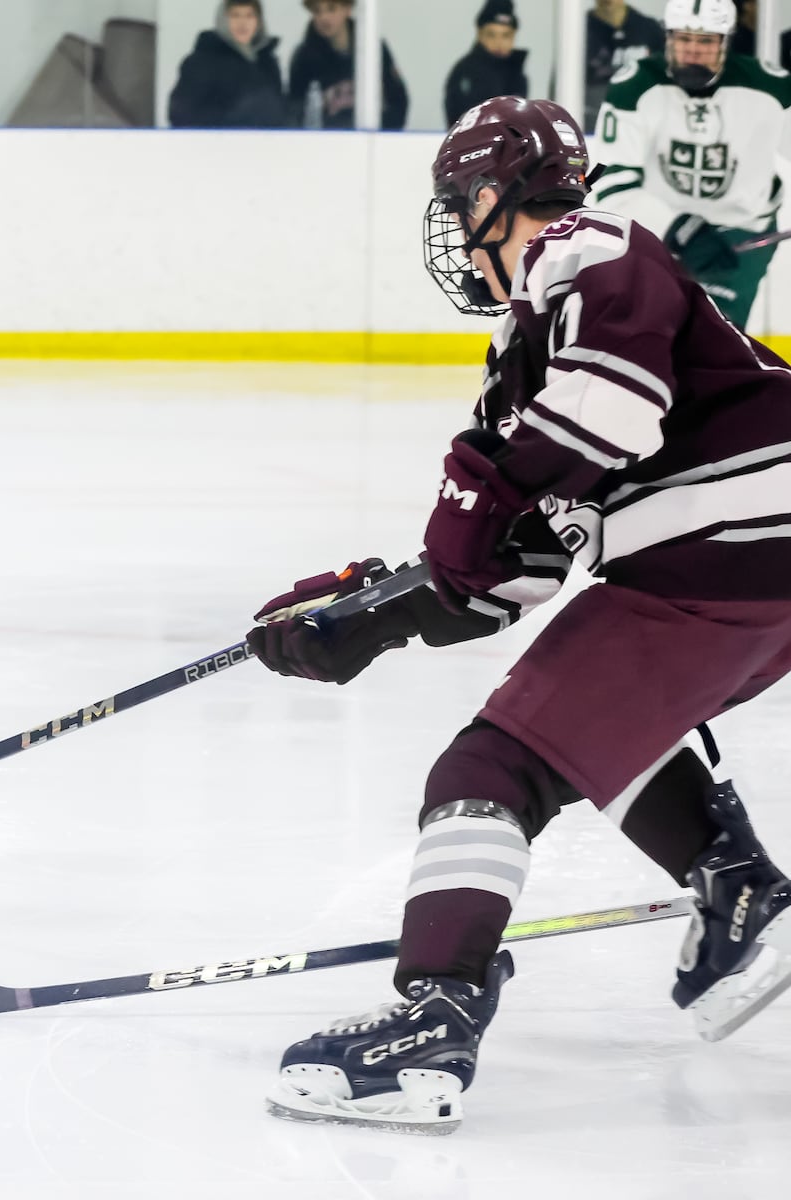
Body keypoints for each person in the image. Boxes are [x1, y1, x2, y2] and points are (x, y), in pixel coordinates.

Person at [248, 96, 791, 1135]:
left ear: (497, 198)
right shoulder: (529, 347)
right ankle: (737, 887)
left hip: (729, 548)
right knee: (570, 723)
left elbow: (606, 410)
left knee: (485, 773)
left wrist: (472, 522)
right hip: (739, 560)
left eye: (461, 207)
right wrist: (370, 617)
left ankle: (433, 1018)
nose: (457, 233)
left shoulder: (590, 250)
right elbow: (514, 571)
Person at [591, 0, 791, 327]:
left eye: (706, 41)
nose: (693, 50)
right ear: (668, 39)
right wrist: (680, 230)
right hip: (662, 235)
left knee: (717, 336)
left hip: (741, 235)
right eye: (684, 39)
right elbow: (612, 181)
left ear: (725, 43)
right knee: (649, 333)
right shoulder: (635, 86)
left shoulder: (772, 88)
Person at [287, 0, 408, 130]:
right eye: (317, 11)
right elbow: (295, 109)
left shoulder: (373, 49)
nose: (324, 17)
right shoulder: (304, 58)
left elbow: (398, 100)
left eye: (331, 9)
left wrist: (383, 136)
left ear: (348, 9)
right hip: (327, 144)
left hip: (374, 142)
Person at [167, 0, 285, 129]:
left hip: (265, 145)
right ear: (223, 20)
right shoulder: (201, 62)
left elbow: (280, 109)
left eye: (249, 16)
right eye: (235, 16)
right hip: (217, 145)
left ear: (259, 22)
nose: (242, 23)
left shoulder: (268, 63)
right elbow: (181, 114)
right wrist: (235, 117)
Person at [444, 1, 528, 125]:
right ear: (480, 34)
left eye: (505, 36)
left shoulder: (518, 76)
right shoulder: (465, 73)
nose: (499, 42)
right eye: (491, 35)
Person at [586, 0, 666, 124]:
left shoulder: (650, 30)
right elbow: (561, 85)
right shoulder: (578, 32)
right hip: (592, 122)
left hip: (643, 119)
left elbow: (666, 77)